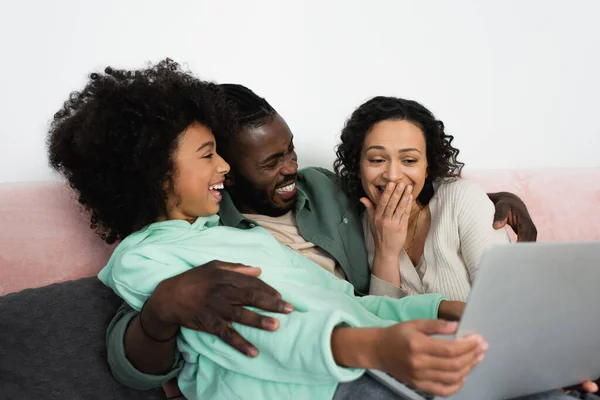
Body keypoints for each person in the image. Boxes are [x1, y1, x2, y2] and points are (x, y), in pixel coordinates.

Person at [47, 60, 597, 400]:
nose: (223, 169)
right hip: (322, 380)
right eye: (212, 155)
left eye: (290, 152)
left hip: (360, 358)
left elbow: (345, 302)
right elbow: (268, 332)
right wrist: (375, 346)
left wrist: (440, 313)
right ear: (154, 173)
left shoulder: (253, 233)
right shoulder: (148, 258)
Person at [333, 96, 508, 301]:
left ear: (427, 166)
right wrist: (386, 253)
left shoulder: (463, 199)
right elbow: (383, 322)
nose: (393, 175)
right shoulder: (352, 229)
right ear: (358, 166)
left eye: (409, 160)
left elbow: (504, 299)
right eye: (377, 160)